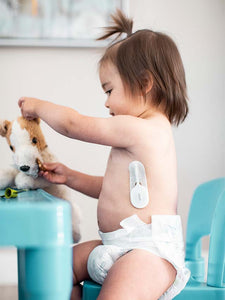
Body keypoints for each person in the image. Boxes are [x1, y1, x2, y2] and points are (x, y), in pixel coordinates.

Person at [18, 9, 190, 300]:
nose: (107, 103)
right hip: (116, 246)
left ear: (145, 84)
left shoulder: (145, 129)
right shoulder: (135, 134)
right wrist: (70, 176)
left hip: (149, 254)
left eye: (109, 90)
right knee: (57, 269)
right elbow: (110, 189)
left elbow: (74, 125)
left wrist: (38, 106)